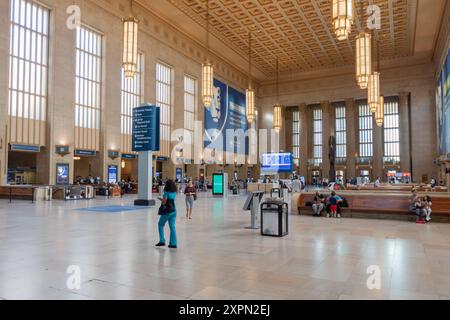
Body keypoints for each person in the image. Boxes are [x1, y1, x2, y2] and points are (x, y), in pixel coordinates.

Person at [156, 179, 178, 249]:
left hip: (167, 211)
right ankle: (173, 243)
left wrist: (160, 199)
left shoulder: (166, 192)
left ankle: (162, 241)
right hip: (174, 210)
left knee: (160, 224)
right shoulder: (174, 192)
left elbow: (164, 202)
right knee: (172, 227)